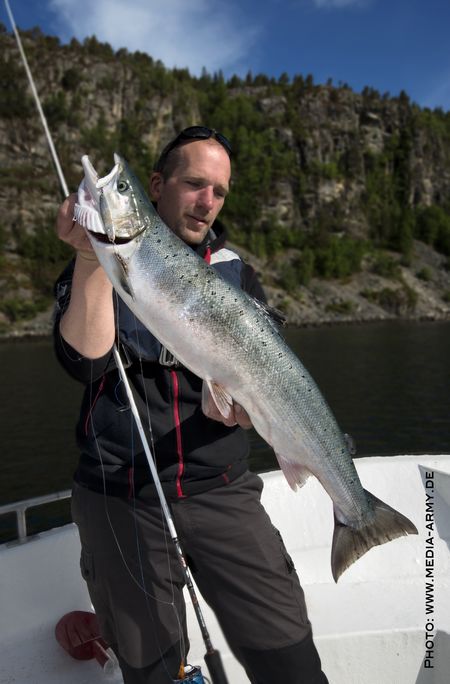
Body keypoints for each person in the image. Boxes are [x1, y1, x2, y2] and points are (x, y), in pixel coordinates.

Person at [54, 126, 328, 684]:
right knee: (154, 671)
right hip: (121, 493)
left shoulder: (236, 274)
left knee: (293, 662)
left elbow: (265, 373)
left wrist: (247, 406)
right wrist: (89, 260)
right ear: (157, 185)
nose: (207, 202)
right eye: (194, 184)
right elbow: (84, 363)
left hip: (220, 487)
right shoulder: (103, 258)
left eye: (219, 192)